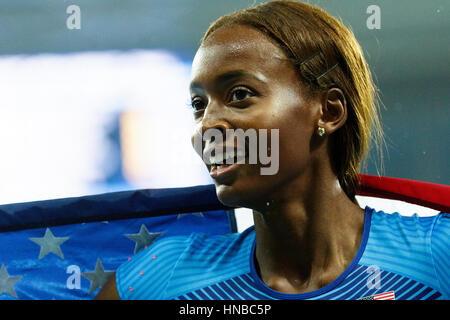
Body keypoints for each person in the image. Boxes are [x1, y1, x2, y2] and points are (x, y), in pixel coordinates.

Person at [96, 0, 449, 300]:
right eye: (198, 104)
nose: (205, 127)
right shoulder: (165, 278)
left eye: (239, 95)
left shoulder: (435, 257)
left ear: (329, 111)